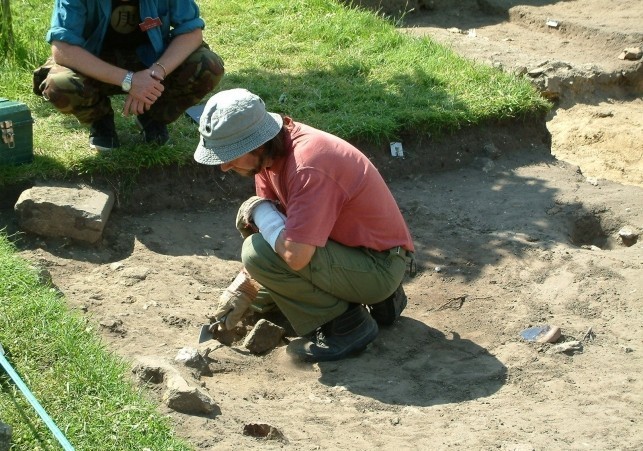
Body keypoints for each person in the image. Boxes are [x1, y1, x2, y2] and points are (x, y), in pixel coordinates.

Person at [194, 88, 415, 362]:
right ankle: (372, 300)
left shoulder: (307, 165)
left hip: (378, 266)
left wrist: (260, 212)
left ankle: (347, 326)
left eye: (230, 155)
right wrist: (243, 288)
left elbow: (294, 256)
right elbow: (278, 232)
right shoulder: (270, 158)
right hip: (356, 252)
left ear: (258, 145)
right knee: (261, 298)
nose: (224, 167)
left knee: (256, 252)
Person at [35, 0, 225, 151]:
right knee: (59, 83)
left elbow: (192, 32)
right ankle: (100, 120)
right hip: (94, 64)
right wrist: (129, 80)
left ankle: (153, 117)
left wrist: (155, 73)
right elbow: (62, 48)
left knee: (208, 65)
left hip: (151, 60)